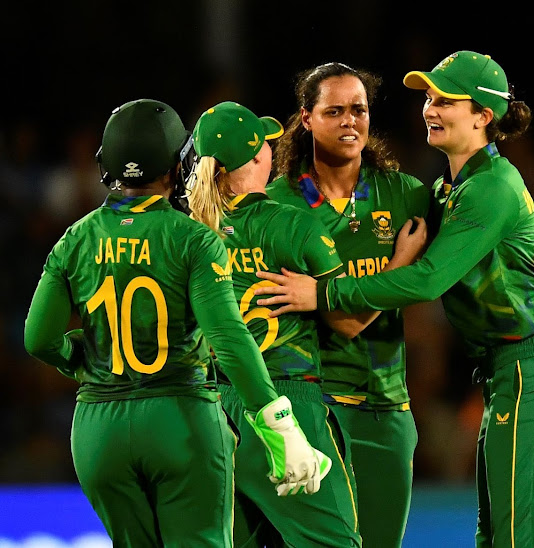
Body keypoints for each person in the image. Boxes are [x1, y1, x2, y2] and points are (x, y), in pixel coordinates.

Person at [255, 51, 534, 548]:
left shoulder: (431, 192)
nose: (431, 108)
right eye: (429, 98)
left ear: (483, 115)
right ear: (304, 119)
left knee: (521, 536)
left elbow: (428, 279)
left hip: (504, 372)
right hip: (322, 400)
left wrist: (322, 292)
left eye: (446, 99)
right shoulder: (443, 192)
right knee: (502, 534)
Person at [23, 99, 327, 547]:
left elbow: (37, 339)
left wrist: (78, 358)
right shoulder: (194, 239)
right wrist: (280, 423)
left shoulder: (75, 237)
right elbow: (227, 338)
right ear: (179, 163)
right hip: (180, 419)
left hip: (98, 428)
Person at [188, 100, 378, 547]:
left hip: (211, 413)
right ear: (258, 158)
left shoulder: (191, 232)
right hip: (288, 401)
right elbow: (349, 321)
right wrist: (408, 261)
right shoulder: (296, 225)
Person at [265, 62, 431, 547]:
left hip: (388, 408)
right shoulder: (278, 205)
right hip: (314, 410)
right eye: (333, 110)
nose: (349, 121)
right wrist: (398, 269)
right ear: (306, 118)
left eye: (358, 109)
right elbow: (347, 323)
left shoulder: (405, 195)